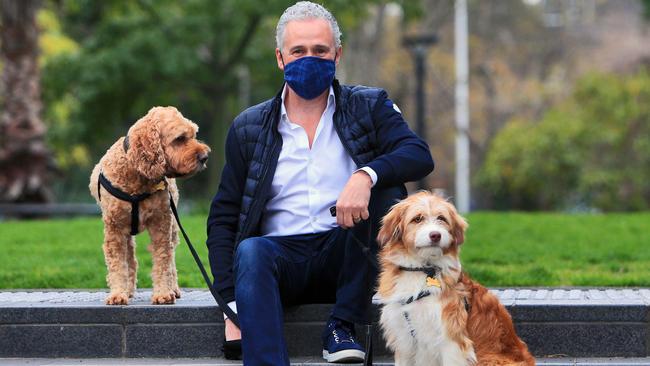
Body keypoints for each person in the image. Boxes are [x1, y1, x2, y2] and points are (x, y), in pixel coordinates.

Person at [205, 2, 434, 365]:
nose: (309, 59)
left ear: (337, 54)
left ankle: (341, 326)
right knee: (250, 249)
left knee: (387, 193)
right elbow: (223, 217)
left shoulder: (368, 105)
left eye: (320, 50)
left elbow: (418, 154)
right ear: (280, 58)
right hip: (279, 264)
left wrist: (365, 175)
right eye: (298, 51)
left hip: (348, 256)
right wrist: (232, 304)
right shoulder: (248, 127)